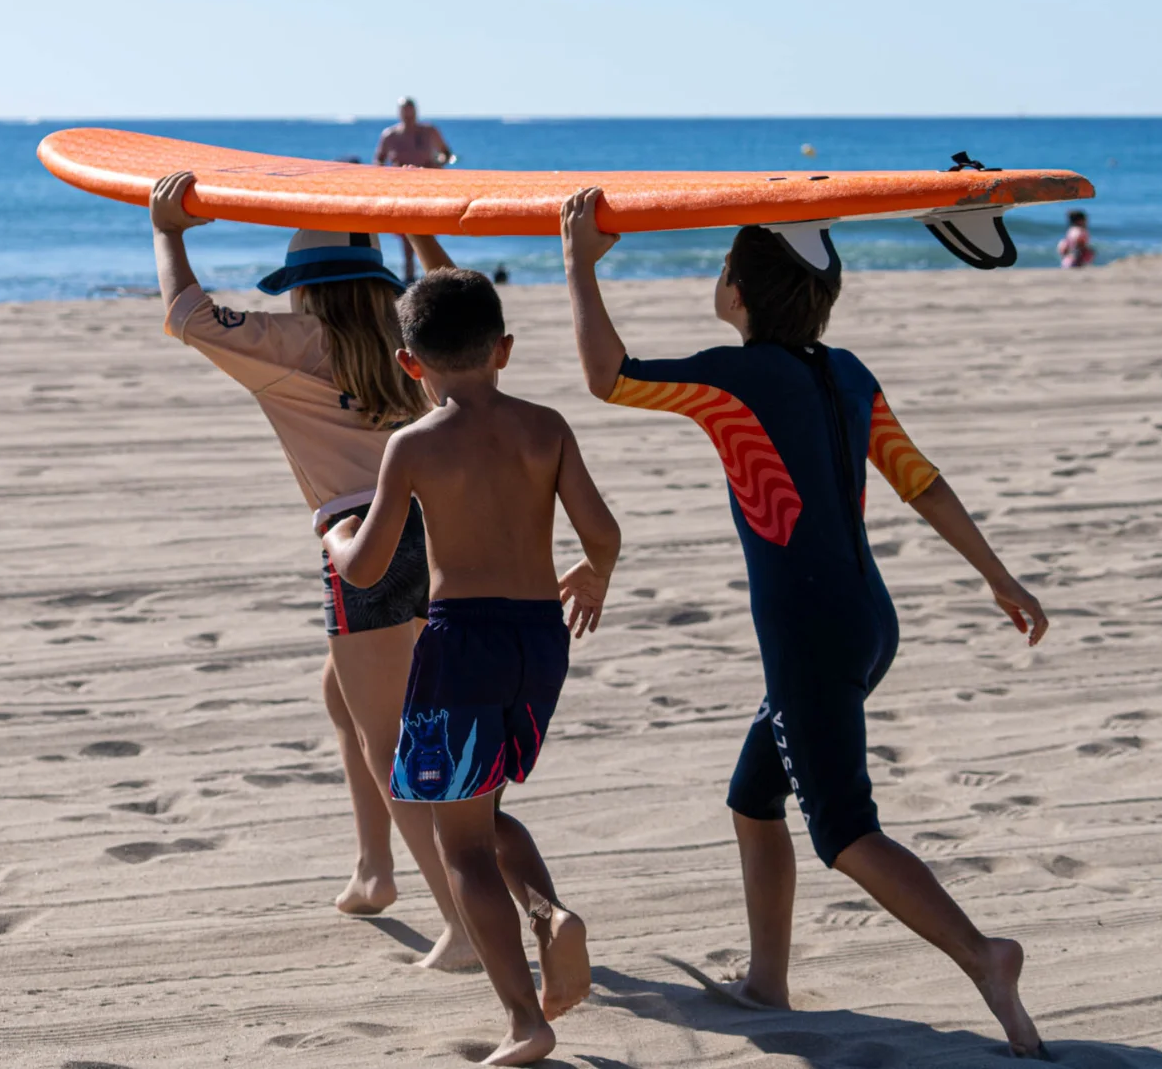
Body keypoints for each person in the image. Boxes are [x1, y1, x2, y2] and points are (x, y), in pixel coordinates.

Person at [560, 189, 1052, 1059]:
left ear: (742, 294)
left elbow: (609, 378)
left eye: (722, 270)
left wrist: (578, 264)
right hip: (866, 622)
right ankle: (767, 978)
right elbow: (920, 480)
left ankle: (984, 955)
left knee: (843, 827)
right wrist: (997, 574)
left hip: (809, 634)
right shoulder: (849, 373)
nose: (717, 278)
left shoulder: (734, 378)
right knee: (754, 798)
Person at [148, 171, 475, 969]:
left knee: (386, 739)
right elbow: (454, 302)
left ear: (307, 292)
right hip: (441, 534)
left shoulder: (291, 347)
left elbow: (184, 312)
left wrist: (168, 230)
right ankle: (373, 870)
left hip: (363, 540)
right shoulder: (417, 346)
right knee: (341, 695)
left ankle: (464, 927)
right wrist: (419, 228)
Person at [323, 268, 619, 1066]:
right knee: (480, 806)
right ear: (504, 350)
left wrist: (335, 541)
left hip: (461, 643)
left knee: (461, 847)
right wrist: (593, 575)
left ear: (409, 365)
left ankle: (525, 1020)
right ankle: (550, 916)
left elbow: (366, 567)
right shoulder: (546, 426)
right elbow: (603, 531)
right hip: (538, 641)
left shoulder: (412, 444)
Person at [376, 97, 455, 280]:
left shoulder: (429, 131)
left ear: (416, 111)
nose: (408, 115)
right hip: (402, 190)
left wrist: (436, 165)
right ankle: (409, 280)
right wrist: (388, 174)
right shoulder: (390, 135)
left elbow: (447, 154)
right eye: (404, 111)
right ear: (400, 113)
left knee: (428, 235)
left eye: (410, 110)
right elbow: (378, 160)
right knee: (407, 239)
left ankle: (436, 278)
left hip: (427, 189)